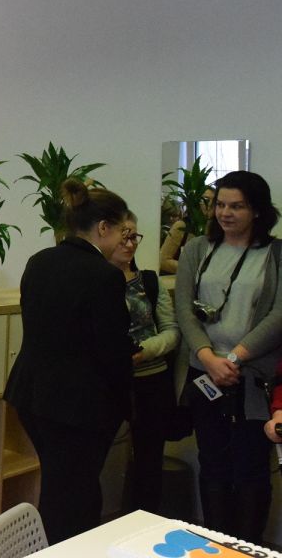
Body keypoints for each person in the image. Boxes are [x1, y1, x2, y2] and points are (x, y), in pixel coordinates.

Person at [4, 179, 132, 543]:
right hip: (78, 407)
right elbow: (111, 351)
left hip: (33, 396)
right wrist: (126, 404)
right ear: (103, 227)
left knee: (60, 488)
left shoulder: (39, 261)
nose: (124, 241)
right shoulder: (104, 276)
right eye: (122, 232)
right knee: (75, 497)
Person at [175, 171, 282, 544]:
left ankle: (247, 547)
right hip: (204, 373)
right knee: (213, 463)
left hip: (252, 378)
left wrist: (233, 359)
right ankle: (216, 544)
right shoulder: (196, 249)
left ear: (257, 210)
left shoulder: (276, 253)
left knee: (251, 468)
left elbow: (279, 315)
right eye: (220, 205)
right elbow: (184, 309)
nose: (225, 213)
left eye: (236, 206)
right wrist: (208, 357)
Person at [108, 211, 179, 513]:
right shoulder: (94, 282)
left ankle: (146, 519)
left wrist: (144, 351)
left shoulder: (149, 281)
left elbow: (172, 332)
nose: (129, 243)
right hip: (110, 383)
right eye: (123, 236)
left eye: (134, 236)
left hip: (152, 380)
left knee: (149, 462)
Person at [160, 187, 215, 275]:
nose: (210, 204)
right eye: (206, 199)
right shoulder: (182, 226)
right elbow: (163, 261)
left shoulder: (219, 229)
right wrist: (195, 270)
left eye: (214, 201)